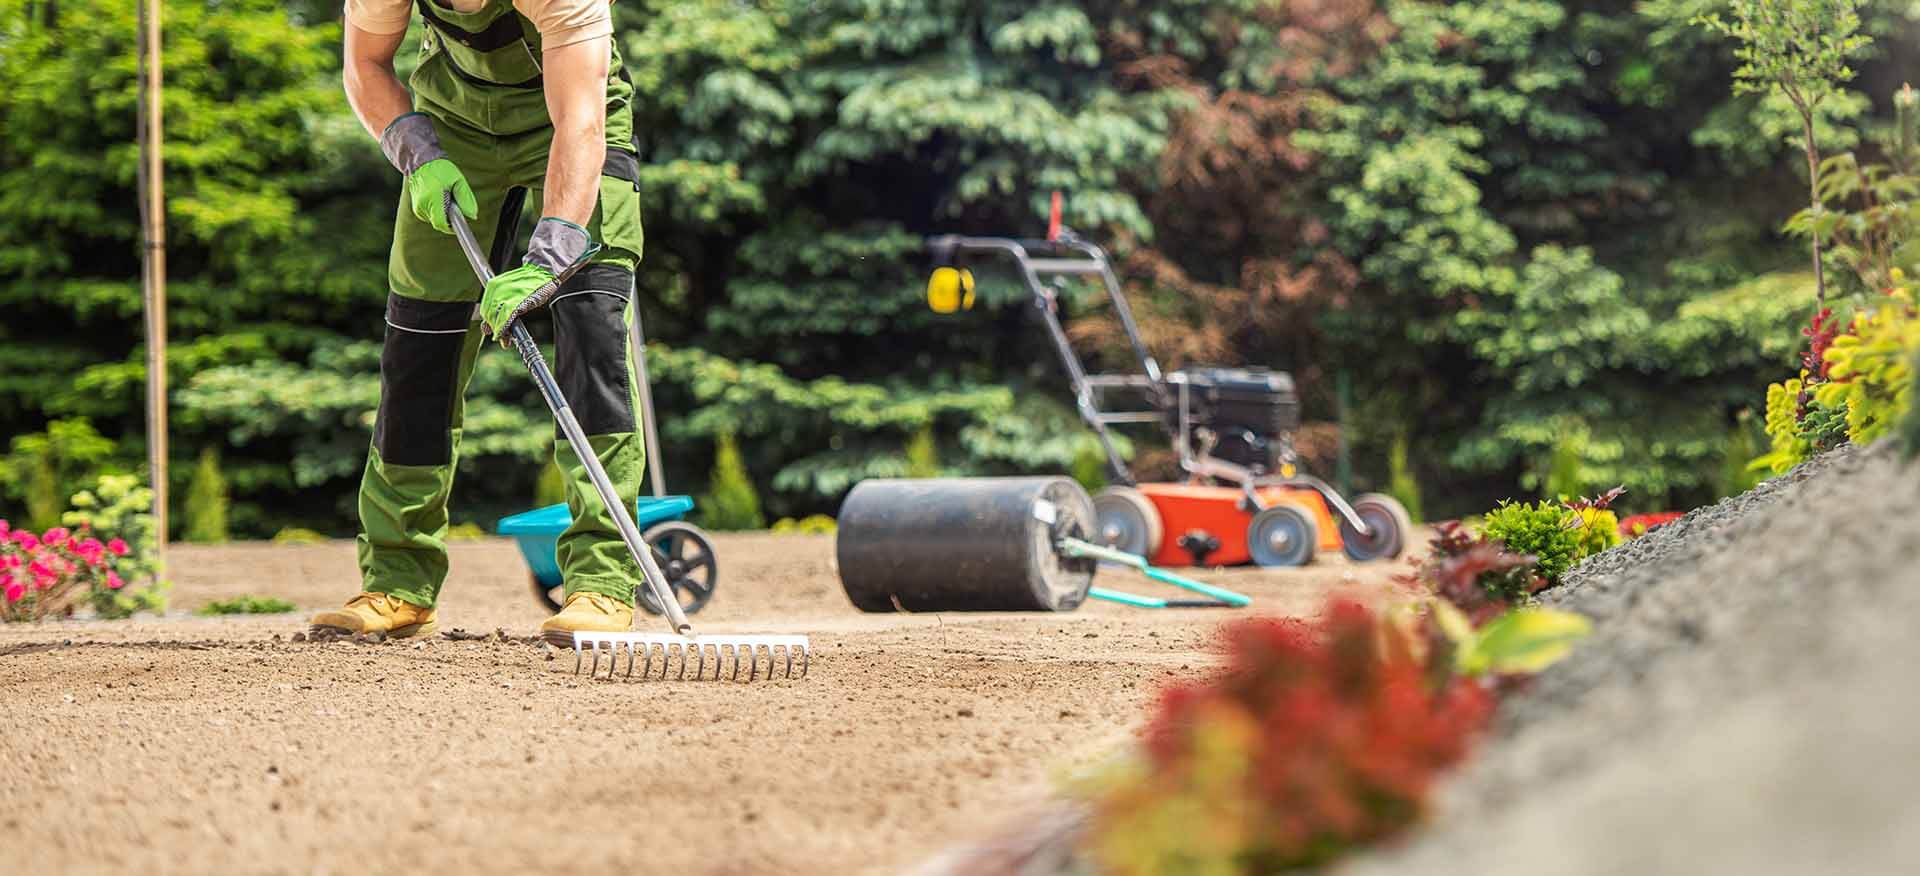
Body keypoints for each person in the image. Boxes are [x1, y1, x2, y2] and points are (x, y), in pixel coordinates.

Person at [310, 0, 646, 645]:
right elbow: (365, 64)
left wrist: (554, 250)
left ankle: (602, 584)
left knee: (591, 341)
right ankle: (398, 583)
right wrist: (410, 144)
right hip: (452, 130)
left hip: (573, 128)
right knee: (418, 351)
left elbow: (580, 117)